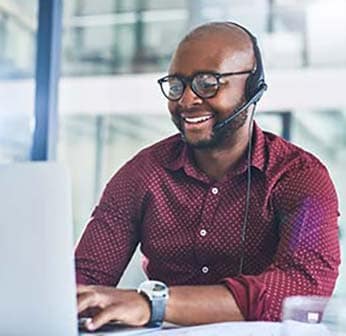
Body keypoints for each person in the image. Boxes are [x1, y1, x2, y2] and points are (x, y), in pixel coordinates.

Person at [75, 21, 340, 331]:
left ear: (252, 87)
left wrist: (155, 304)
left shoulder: (299, 177)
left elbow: (300, 288)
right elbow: (85, 281)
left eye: (208, 83)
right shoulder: (141, 175)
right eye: (176, 85)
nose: (186, 101)